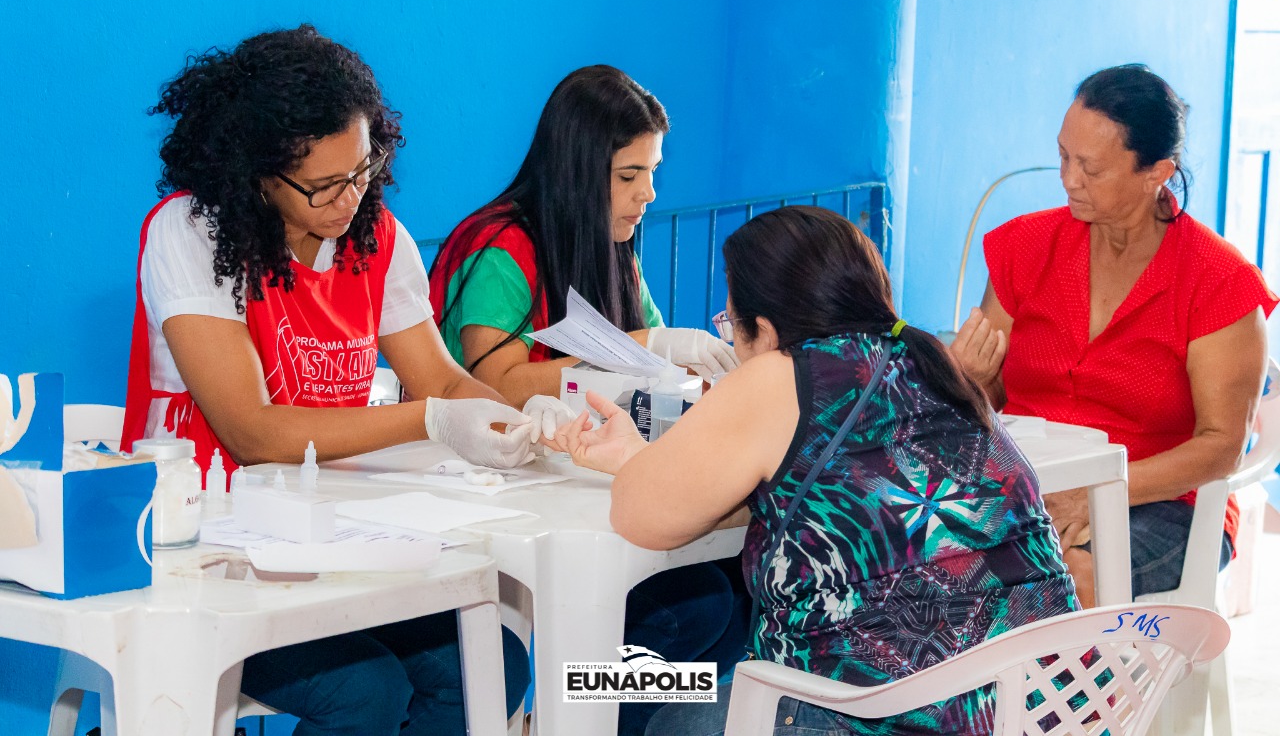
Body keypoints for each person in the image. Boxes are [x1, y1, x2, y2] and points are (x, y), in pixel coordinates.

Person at [119, 25, 529, 735]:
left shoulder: (378, 236)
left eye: (363, 169)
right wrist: (429, 421)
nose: (349, 199)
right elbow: (252, 431)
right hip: (209, 552)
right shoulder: (188, 235)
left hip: (330, 541)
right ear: (257, 173)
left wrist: (529, 421)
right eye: (323, 185)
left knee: (494, 664)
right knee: (365, 692)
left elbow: (439, 377)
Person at [551, 206, 1077, 735]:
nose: (732, 341)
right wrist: (637, 457)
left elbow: (638, 515)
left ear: (768, 328)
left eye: (731, 323)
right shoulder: (930, 362)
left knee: (652, 707)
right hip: (1039, 704)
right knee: (687, 674)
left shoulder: (782, 376)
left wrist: (636, 466)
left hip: (883, 712)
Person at [428, 64, 744, 736]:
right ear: (577, 168)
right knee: (684, 611)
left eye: (652, 173)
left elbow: (651, 361)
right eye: (629, 176)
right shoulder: (498, 248)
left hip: (591, 492)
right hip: (494, 506)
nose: (648, 194)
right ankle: (575, 716)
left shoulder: (614, 249)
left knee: (722, 601)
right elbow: (503, 382)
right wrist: (652, 342)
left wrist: (705, 377)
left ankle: (598, 715)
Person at [951, 64, 1278, 608]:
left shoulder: (1219, 283)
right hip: (1031, 486)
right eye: (1063, 156)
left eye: (1091, 168)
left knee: (1063, 581)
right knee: (908, 553)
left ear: (1157, 172)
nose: (1068, 179)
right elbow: (989, 406)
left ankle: (1068, 698)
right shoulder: (1024, 249)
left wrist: (1097, 496)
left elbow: (1221, 445)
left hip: (1165, 503)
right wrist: (975, 382)